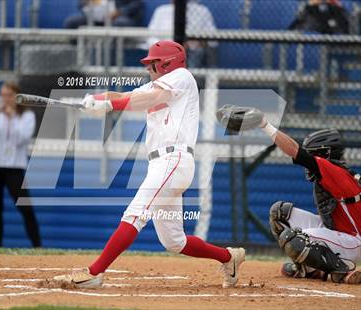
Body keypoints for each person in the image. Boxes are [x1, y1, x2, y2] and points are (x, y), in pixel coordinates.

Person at [53, 40, 245, 288]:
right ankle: (229, 257)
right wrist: (96, 99)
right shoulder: (159, 84)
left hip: (173, 160)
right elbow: (127, 96)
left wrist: (109, 105)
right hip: (162, 165)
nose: (148, 68)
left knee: (135, 214)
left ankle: (95, 272)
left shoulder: (181, 77)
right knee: (175, 242)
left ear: (167, 63)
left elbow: (151, 97)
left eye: (152, 63)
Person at [257, 117, 361, 284]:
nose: (310, 158)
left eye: (313, 153)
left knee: (293, 238)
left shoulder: (334, 171)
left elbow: (294, 151)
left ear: (326, 154)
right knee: (279, 212)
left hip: (353, 240)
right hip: (338, 230)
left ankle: (342, 269)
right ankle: (311, 270)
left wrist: (265, 125)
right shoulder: (337, 172)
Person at [0, 81, 41, 248]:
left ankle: (37, 246)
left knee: (25, 208)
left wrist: (11, 118)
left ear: (17, 97)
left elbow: (22, 139)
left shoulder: (27, 116)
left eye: (9, 95)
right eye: (3, 95)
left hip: (14, 168)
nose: (5, 99)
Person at [145, 0, 217, 68]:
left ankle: (189, 79)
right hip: (165, 51)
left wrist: (195, 44)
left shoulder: (202, 11)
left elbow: (213, 40)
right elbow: (150, 38)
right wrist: (166, 48)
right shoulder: (161, 11)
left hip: (190, 52)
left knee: (197, 53)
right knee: (154, 58)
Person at [64, 0, 144, 29]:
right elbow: (80, 4)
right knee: (71, 22)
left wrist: (119, 12)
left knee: (119, 23)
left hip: (118, 17)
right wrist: (86, 2)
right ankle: (79, 56)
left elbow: (138, 3)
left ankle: (112, 57)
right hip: (95, 18)